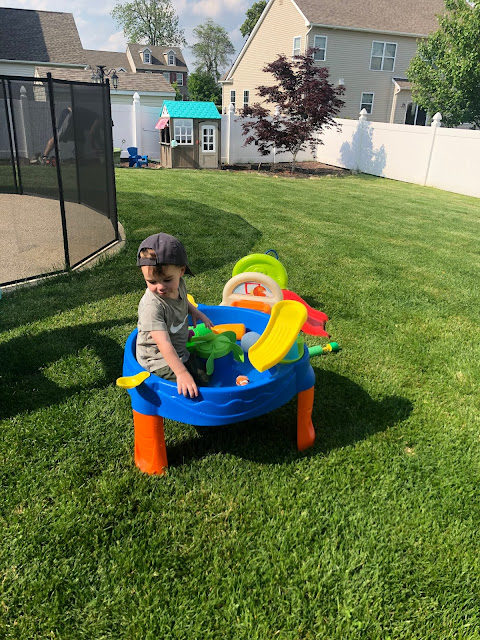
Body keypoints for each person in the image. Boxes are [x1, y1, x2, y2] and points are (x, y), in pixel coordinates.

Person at [136, 233, 213, 398]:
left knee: (205, 378)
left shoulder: (180, 285)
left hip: (179, 350)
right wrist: (181, 373)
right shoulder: (152, 306)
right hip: (157, 360)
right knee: (188, 393)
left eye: (167, 280)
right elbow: (163, 343)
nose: (160, 287)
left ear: (181, 271)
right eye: (152, 282)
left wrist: (195, 311)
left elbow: (183, 300)